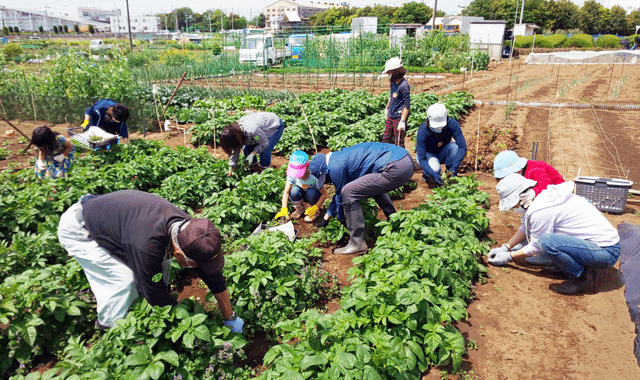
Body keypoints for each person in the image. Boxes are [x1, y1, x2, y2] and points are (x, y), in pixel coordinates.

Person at [57, 190, 244, 332]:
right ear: (178, 254)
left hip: (112, 216)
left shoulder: (190, 230)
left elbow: (210, 273)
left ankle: (136, 300)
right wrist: (184, 327)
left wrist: (230, 315)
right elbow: (156, 295)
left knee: (157, 268)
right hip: (79, 228)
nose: (200, 269)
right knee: (122, 282)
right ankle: (110, 328)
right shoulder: (146, 246)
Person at [487, 173, 620, 295]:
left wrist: (509, 257)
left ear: (519, 197)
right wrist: (506, 247)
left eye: (511, 203)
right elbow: (525, 227)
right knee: (548, 239)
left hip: (605, 252)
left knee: (547, 241)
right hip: (598, 246)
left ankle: (579, 278)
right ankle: (566, 265)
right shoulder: (541, 199)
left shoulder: (540, 210)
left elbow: (536, 246)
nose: (512, 208)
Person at [315, 142, 414, 255]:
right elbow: (338, 195)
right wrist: (327, 217)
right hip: (405, 159)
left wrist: (342, 219)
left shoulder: (335, 167)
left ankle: (357, 243)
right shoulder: (340, 156)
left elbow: (341, 195)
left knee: (348, 192)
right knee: (370, 185)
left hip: (396, 167)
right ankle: (394, 220)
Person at [493, 150, 565, 265]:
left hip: (556, 203)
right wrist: (506, 247)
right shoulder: (522, 174)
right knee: (529, 215)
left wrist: (534, 191)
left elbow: (546, 184)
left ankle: (546, 255)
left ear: (516, 170)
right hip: (544, 203)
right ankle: (524, 241)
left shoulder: (535, 169)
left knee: (544, 225)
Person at [416, 103, 467, 186]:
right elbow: (422, 158)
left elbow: (462, 147)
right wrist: (433, 174)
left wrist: (454, 167)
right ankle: (427, 174)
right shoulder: (423, 131)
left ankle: (450, 173)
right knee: (435, 169)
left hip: (442, 151)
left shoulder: (452, 124)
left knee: (454, 147)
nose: (439, 129)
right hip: (428, 154)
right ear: (428, 120)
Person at [219, 112, 286, 176]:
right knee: (246, 149)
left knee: (265, 151)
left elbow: (264, 143)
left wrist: (252, 154)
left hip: (273, 125)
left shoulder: (251, 130)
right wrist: (232, 167)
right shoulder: (235, 134)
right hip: (259, 129)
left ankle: (265, 172)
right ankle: (254, 169)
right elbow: (235, 148)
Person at [274, 151, 328, 223]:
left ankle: (314, 211)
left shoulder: (315, 176)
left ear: (307, 167)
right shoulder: (292, 174)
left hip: (313, 195)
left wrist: (316, 207)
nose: (297, 175)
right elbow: (286, 192)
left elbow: (324, 194)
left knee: (311, 193)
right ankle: (300, 208)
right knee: (294, 191)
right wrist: (284, 208)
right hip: (301, 192)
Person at [381, 57, 410, 148]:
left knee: (398, 142)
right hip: (391, 115)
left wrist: (402, 121)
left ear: (395, 72)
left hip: (398, 117)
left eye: (389, 73)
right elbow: (391, 96)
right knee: (386, 138)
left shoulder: (404, 85)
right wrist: (387, 108)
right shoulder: (393, 82)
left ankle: (401, 160)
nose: (388, 75)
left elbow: (406, 105)